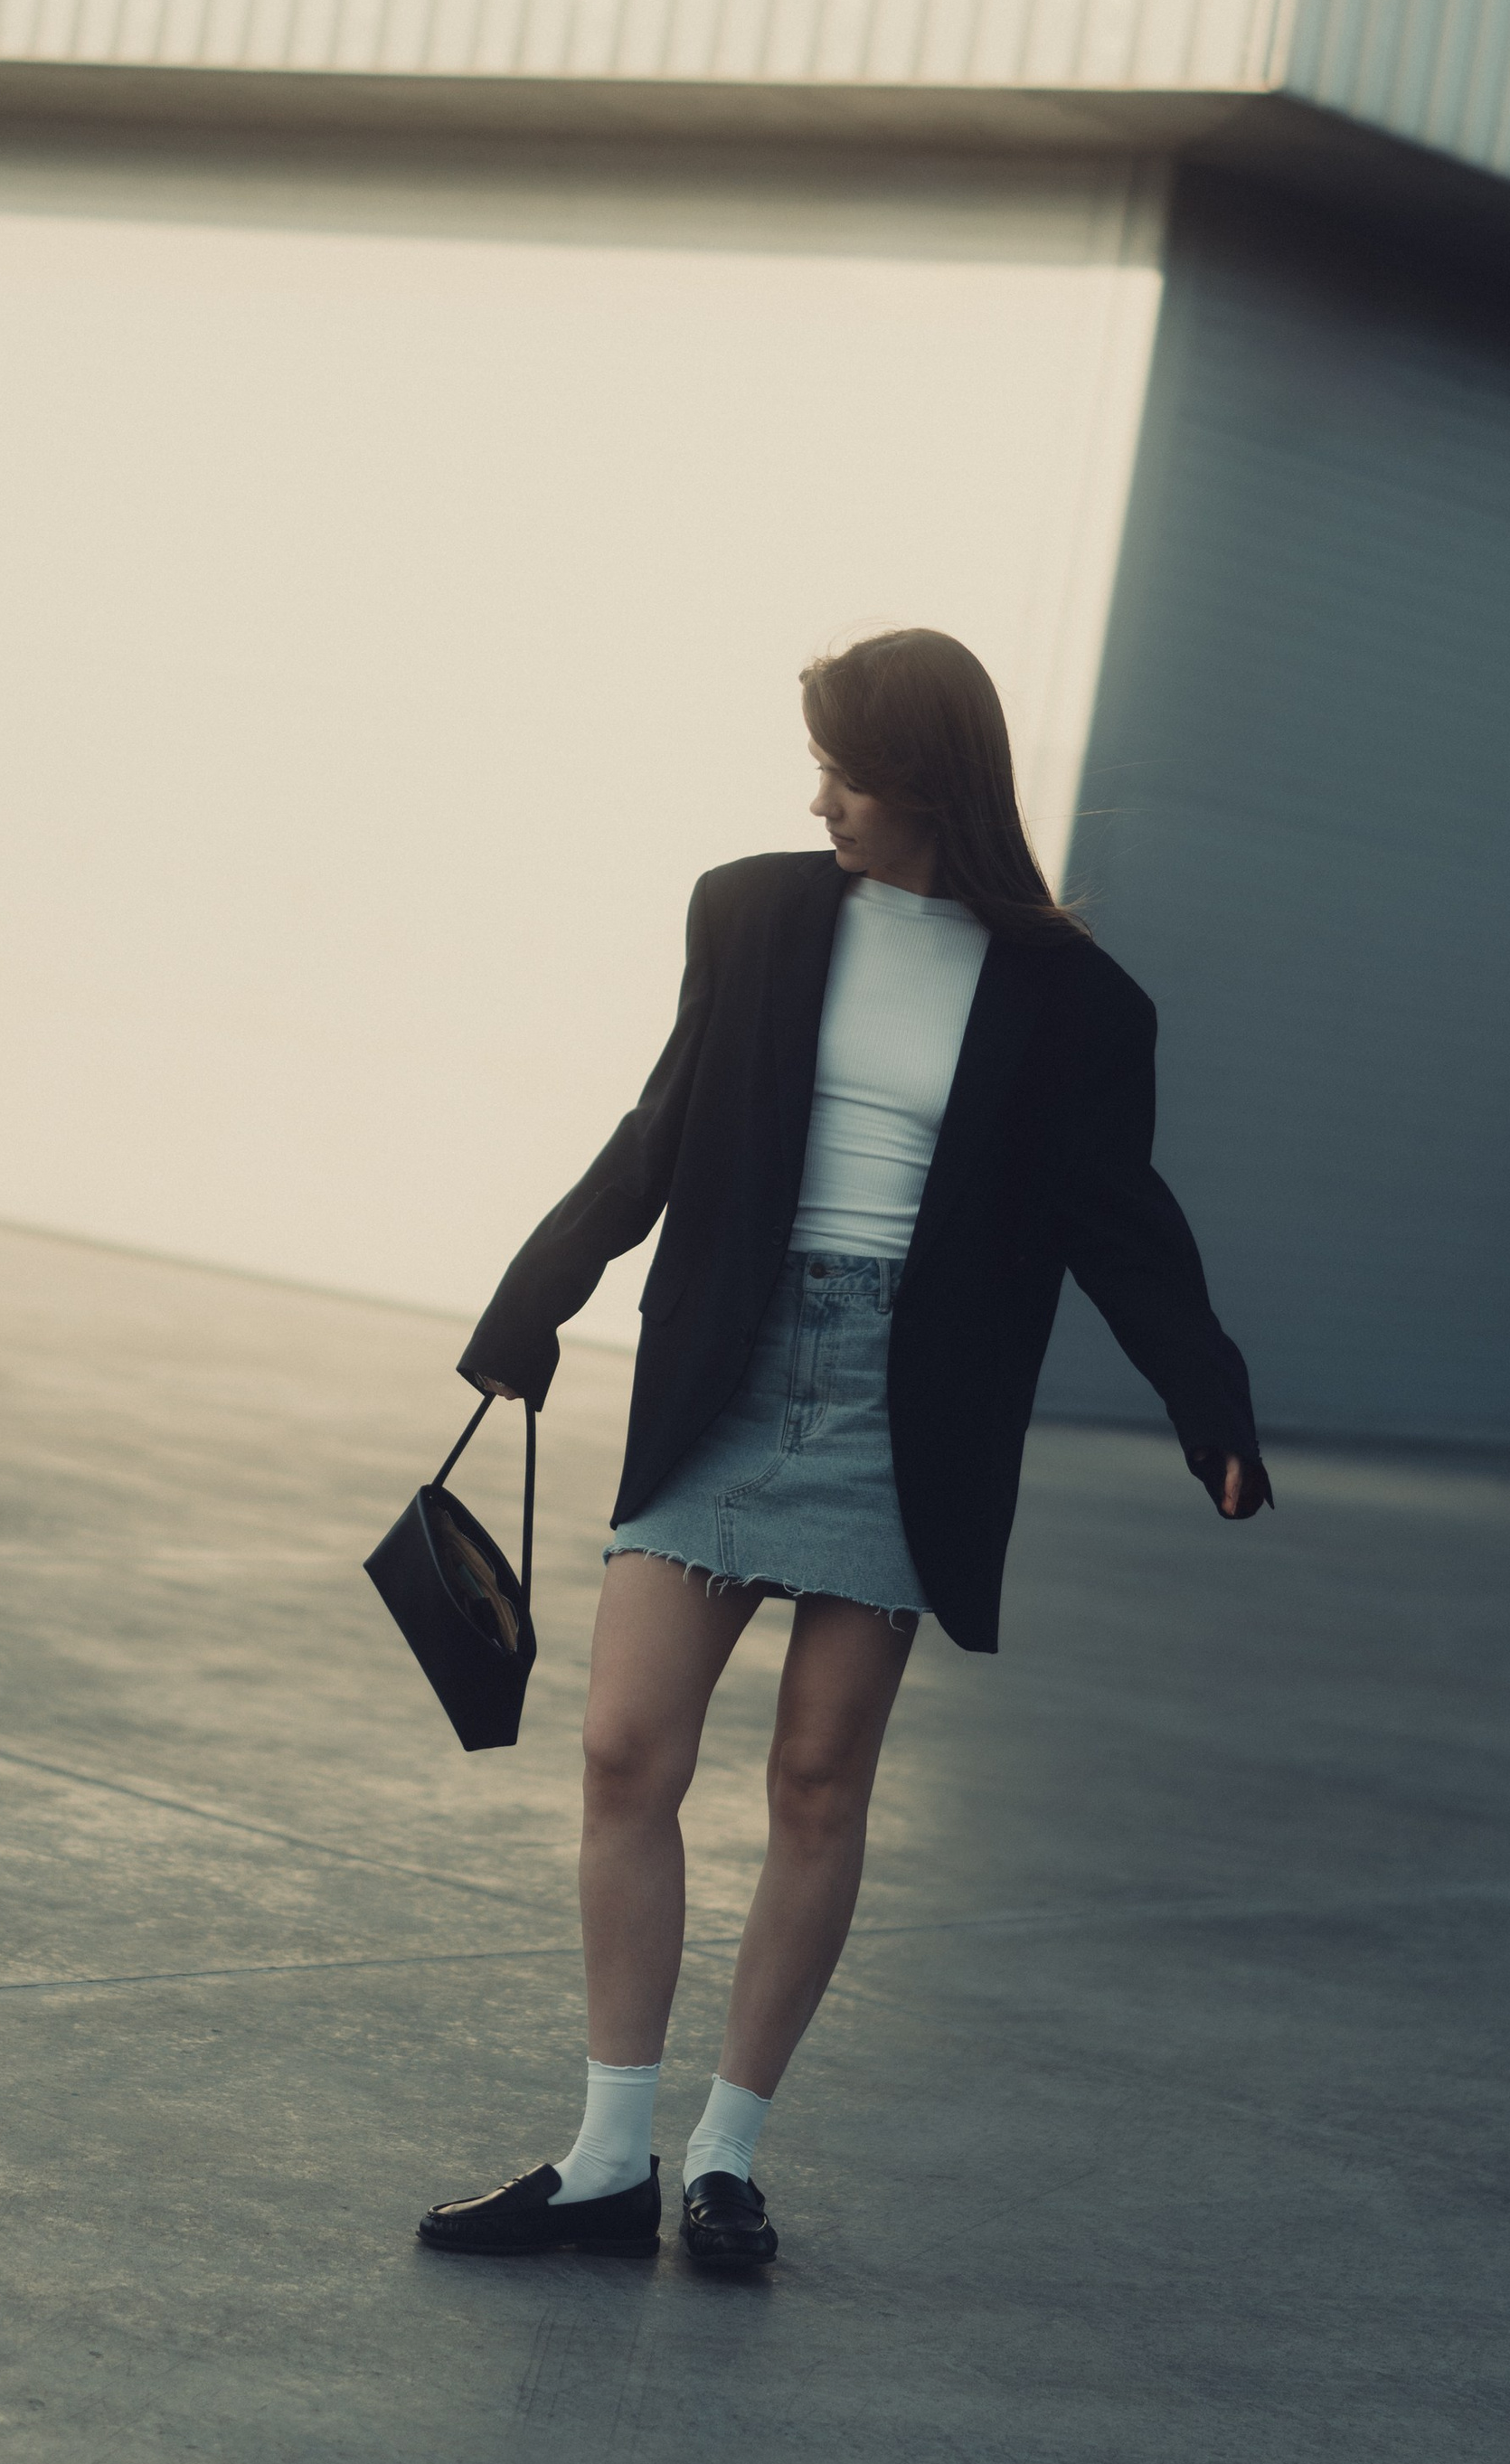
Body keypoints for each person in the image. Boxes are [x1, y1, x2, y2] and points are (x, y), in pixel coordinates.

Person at [418, 628, 1268, 2273]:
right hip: (732, 1359)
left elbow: (1123, 1221)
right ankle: (607, 2160)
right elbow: (662, 1124)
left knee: (816, 1782)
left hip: (907, 1393)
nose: (820, 801)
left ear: (925, 782)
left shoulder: (1078, 1002)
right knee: (622, 1752)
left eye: (845, 771)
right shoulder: (752, 912)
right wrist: (539, 1293)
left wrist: (1207, 1399)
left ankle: (727, 2163)